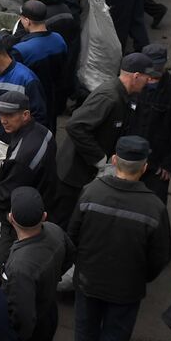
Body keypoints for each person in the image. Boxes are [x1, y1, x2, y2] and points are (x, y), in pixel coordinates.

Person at [68, 135, 171, 341]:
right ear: (145, 167)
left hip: (88, 281)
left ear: (114, 160)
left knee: (85, 328)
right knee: (116, 334)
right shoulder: (155, 208)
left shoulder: (90, 192)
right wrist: (140, 277)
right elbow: (159, 258)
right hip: (127, 288)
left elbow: (72, 236)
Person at [52, 52, 151, 226]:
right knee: (62, 219)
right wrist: (99, 159)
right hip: (72, 175)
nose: (148, 81)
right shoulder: (109, 97)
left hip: (85, 172)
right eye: (146, 77)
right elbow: (75, 125)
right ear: (136, 76)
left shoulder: (123, 96)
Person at [0, 91, 57, 266]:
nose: (3, 120)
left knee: (6, 265)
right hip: (44, 199)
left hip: (21, 221)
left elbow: (3, 197)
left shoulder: (22, 157)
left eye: (10, 115)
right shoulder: (44, 132)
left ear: (25, 115)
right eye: (1, 114)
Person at [0, 187, 71, 341]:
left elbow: (23, 317)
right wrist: (52, 276)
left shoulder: (19, 266)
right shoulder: (55, 230)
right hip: (49, 312)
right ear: (44, 216)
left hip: (32, 330)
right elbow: (70, 255)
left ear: (11, 218)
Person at [125, 43, 171, 203]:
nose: (153, 76)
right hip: (130, 155)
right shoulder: (134, 83)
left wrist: (169, 164)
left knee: (153, 202)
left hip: (156, 161)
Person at [8, 0, 67, 122]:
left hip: (31, 104)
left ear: (27, 21)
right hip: (53, 97)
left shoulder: (20, 50)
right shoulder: (59, 39)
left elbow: (13, 80)